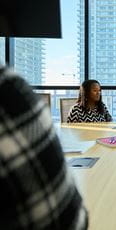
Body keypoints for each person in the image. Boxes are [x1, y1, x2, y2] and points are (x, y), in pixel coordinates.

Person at [0, 69, 88, 228]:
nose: (98, 93)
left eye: (99, 90)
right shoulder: (9, 91)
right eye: (94, 90)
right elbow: (68, 219)